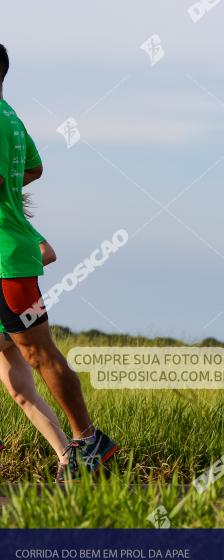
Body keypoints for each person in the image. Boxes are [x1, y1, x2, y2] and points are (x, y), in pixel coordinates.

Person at [0, 43, 117, 481]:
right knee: (26, 369)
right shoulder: (10, 115)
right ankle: (84, 444)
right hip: (11, 251)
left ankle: (88, 440)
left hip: (8, 259)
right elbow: (33, 168)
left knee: (40, 354)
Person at [0, 229, 72, 478]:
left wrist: (10, 269)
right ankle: (69, 460)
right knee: (23, 393)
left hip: (10, 307)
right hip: (18, 308)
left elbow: (47, 253)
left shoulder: (11, 222)